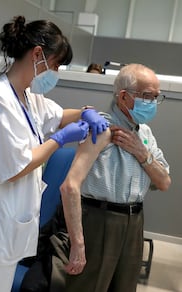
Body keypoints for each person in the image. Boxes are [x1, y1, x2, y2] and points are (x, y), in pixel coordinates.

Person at [0, 15, 109, 291]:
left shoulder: (27, 96)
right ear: (38, 54)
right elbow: (16, 167)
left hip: (7, 228)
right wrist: (61, 140)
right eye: (56, 64)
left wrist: (86, 111)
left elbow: (60, 115)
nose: (56, 72)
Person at [60, 63, 171, 292]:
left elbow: (164, 182)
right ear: (124, 97)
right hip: (99, 221)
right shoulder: (102, 128)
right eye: (147, 96)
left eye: (156, 98)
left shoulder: (145, 134)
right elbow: (70, 186)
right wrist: (78, 243)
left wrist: (142, 154)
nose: (152, 103)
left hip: (134, 222)